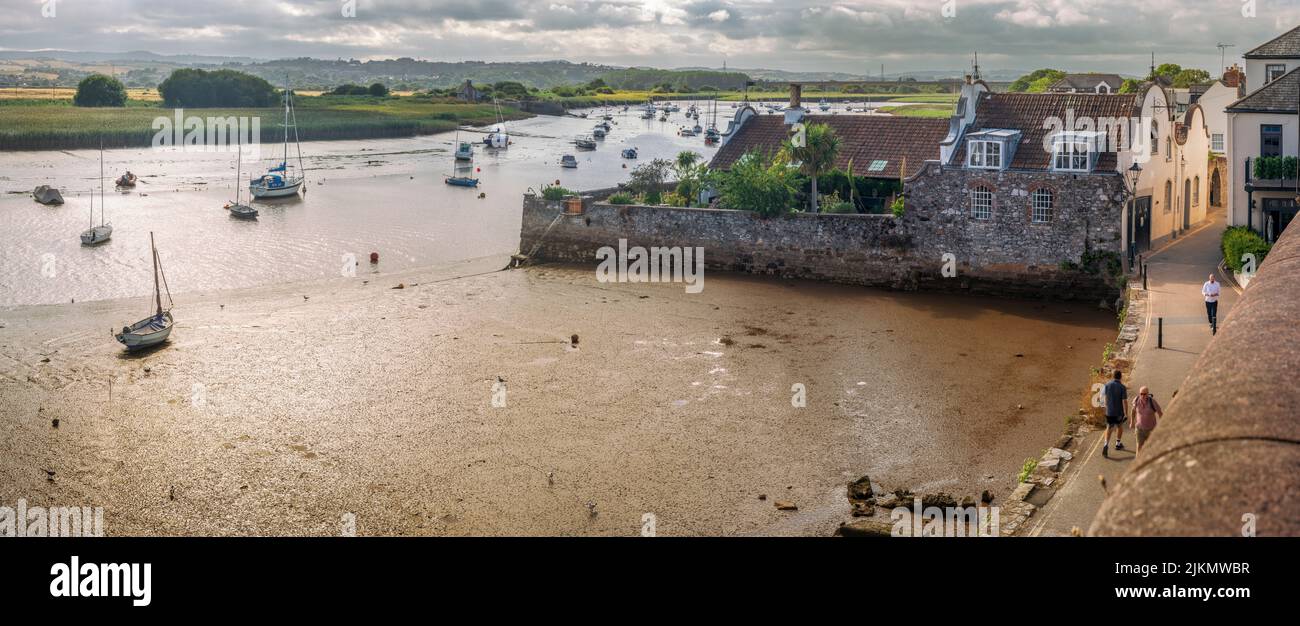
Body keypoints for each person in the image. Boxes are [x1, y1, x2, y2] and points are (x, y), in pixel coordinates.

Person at [1102, 370, 1128, 458]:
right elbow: (1124, 401)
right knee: (1119, 426)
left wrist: (1106, 408)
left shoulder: (1107, 385)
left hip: (1109, 412)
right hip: (1118, 412)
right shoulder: (1122, 387)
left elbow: (1105, 398)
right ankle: (1118, 443)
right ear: (1120, 377)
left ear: (1113, 376)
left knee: (1109, 427)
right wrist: (1126, 413)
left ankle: (1106, 444)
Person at [1129, 386, 1163, 452]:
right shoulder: (1136, 400)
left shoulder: (1152, 402)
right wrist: (1132, 422)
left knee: (1152, 448)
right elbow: (1133, 411)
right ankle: (1138, 462)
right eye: (1141, 394)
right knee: (1139, 447)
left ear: (1147, 394)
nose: (1142, 396)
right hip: (1139, 429)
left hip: (1151, 429)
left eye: (1144, 394)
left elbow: (1160, 413)